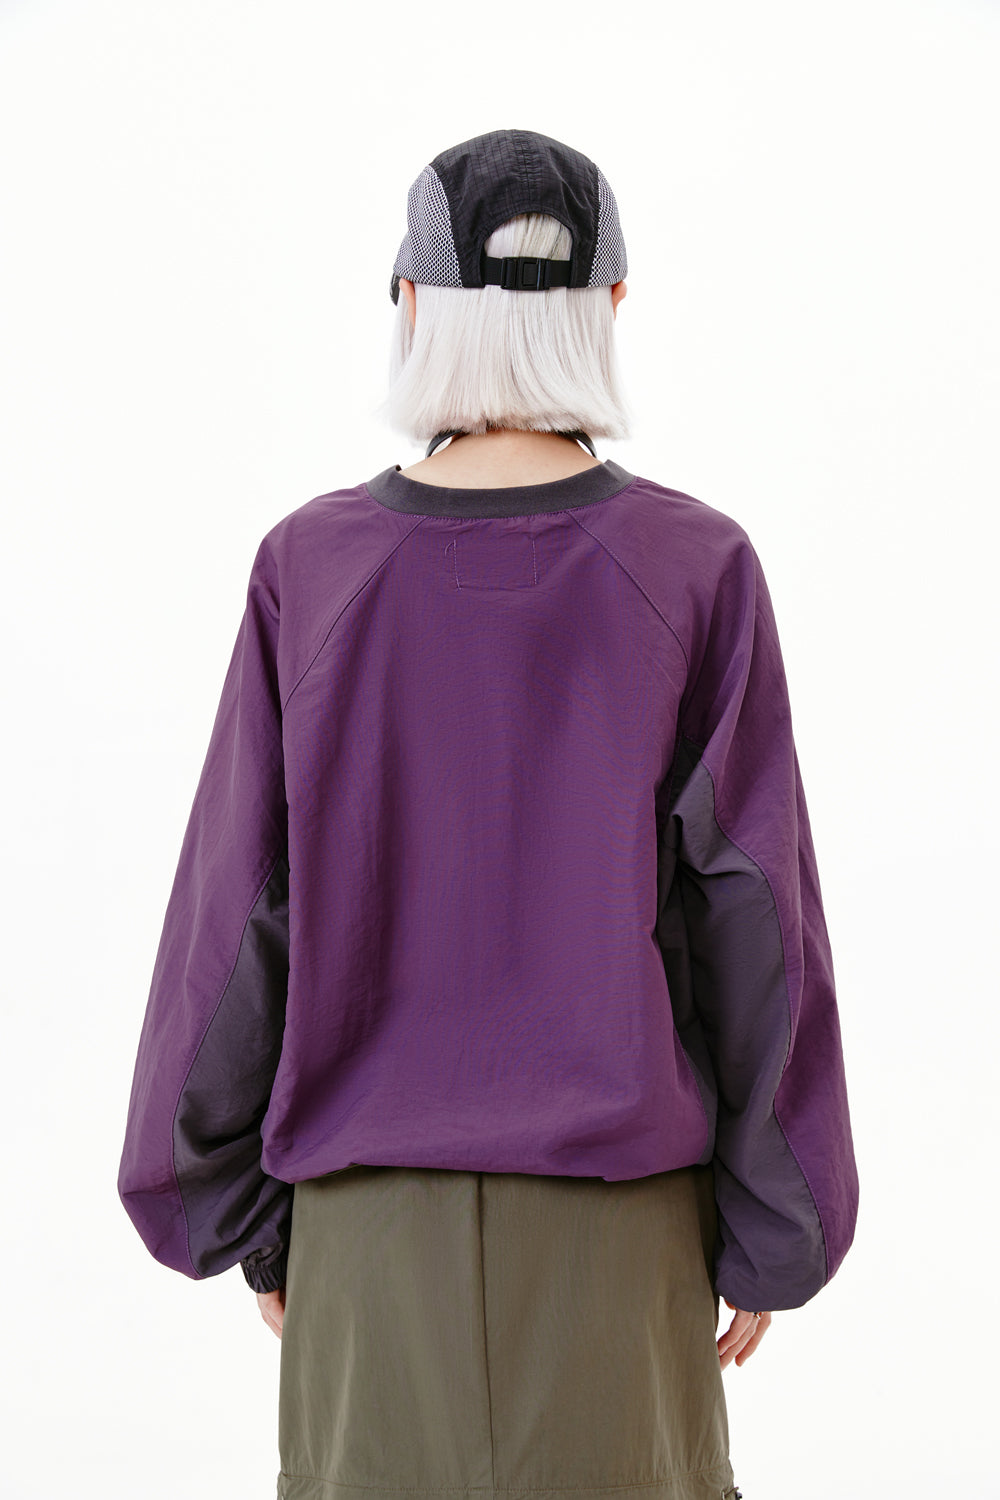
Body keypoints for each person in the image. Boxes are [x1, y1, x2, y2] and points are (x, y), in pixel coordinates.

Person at [118, 128, 859, 1500]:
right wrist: (778, 1226)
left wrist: (236, 1216)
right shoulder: (695, 570)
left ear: (410, 301)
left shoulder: (312, 572)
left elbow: (238, 919)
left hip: (364, 1249)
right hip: (622, 1250)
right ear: (613, 305)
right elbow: (757, 921)